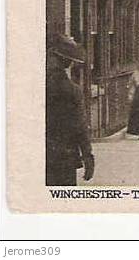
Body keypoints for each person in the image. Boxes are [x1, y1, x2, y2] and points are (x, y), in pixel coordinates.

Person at [45, 35, 94, 186]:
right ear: (69, 62)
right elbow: (80, 125)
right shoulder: (72, 91)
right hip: (64, 156)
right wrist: (87, 155)